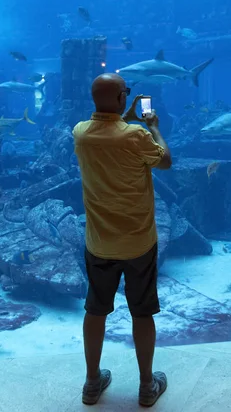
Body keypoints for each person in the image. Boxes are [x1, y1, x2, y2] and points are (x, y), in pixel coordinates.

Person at [73, 73, 172, 407]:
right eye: (125, 94)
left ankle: (91, 382)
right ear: (120, 98)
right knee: (142, 313)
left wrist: (120, 117)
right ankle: (146, 386)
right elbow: (166, 161)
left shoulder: (81, 134)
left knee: (95, 310)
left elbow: (105, 130)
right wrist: (152, 125)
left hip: (99, 242)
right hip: (138, 242)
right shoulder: (137, 136)